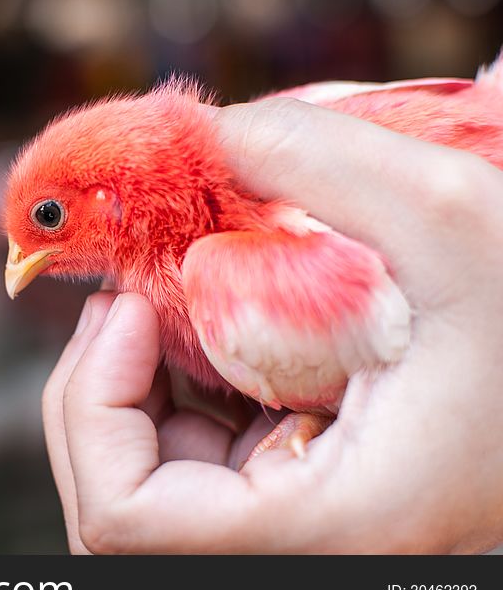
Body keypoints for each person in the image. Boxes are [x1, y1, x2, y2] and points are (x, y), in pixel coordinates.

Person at [42, 98, 503, 554]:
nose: (19, 260)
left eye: (49, 216)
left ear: (109, 197)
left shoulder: (211, 276)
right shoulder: (281, 128)